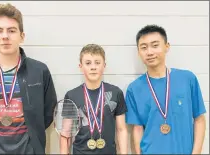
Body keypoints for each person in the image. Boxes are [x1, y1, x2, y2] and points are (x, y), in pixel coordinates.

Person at [0, 3, 57, 154]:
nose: (5, 36)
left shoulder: (39, 71)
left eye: (11, 30)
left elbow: (49, 112)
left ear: (22, 36)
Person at [125, 24, 206, 154]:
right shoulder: (134, 89)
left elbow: (199, 119)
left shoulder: (187, 79)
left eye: (155, 45)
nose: (149, 52)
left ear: (167, 47)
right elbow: (137, 128)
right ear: (139, 52)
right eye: (144, 47)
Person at [60, 44, 128, 154]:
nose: (93, 67)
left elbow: (121, 130)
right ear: (80, 66)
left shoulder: (116, 93)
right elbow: (66, 133)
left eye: (97, 62)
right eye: (88, 63)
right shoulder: (71, 95)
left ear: (104, 65)